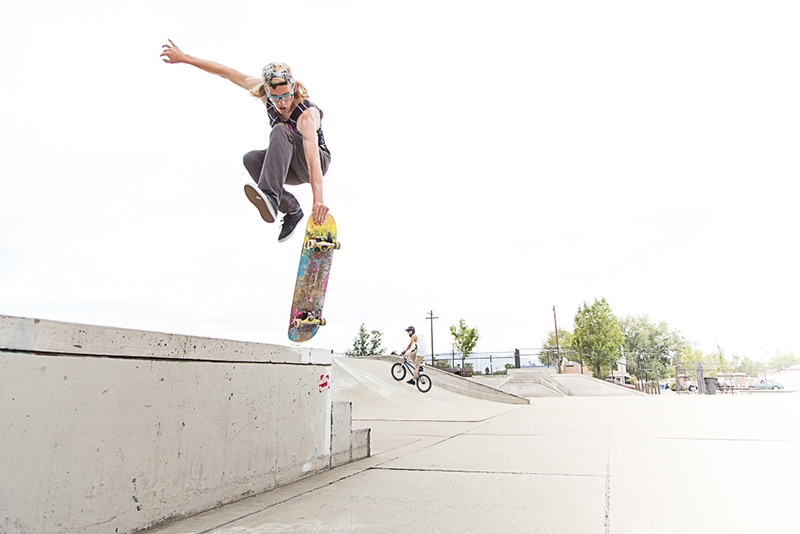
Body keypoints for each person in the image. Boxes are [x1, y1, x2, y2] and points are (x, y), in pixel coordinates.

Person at [160, 40, 331, 242]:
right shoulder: (263, 93)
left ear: (293, 88)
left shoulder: (306, 116)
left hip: (314, 163)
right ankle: (291, 209)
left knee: (279, 131)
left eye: (286, 95)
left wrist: (318, 201)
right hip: (289, 166)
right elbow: (226, 72)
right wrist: (185, 58)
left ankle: (270, 195)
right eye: (276, 98)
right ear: (267, 92)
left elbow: (313, 161)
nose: (282, 103)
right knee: (251, 159)